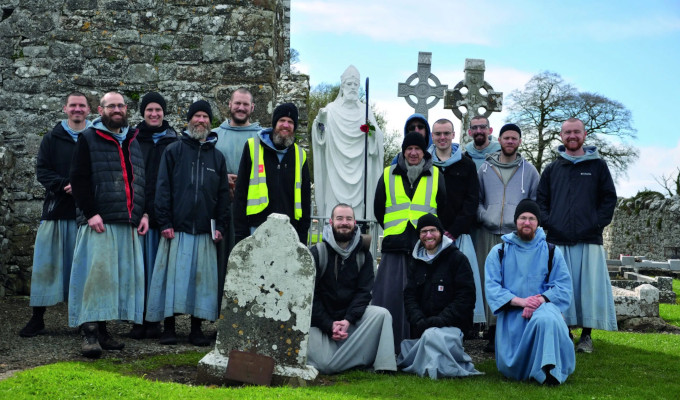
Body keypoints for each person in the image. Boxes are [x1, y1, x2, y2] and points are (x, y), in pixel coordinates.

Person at [68, 91, 148, 358]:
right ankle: (89, 333)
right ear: (100, 111)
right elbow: (78, 179)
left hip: (127, 221)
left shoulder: (133, 140)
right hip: (99, 221)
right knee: (97, 278)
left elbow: (140, 179)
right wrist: (90, 213)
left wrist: (143, 213)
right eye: (110, 106)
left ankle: (103, 332)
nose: (117, 110)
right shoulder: (88, 138)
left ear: (126, 109)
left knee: (113, 281)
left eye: (120, 106)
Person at [146, 100, 229, 346]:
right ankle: (169, 328)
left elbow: (223, 195)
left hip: (205, 230)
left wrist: (221, 226)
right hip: (176, 228)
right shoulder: (174, 150)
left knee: (200, 282)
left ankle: (196, 329)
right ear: (189, 120)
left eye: (205, 116)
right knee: (172, 280)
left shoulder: (218, 157)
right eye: (197, 116)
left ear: (210, 122)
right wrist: (164, 222)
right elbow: (162, 188)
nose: (200, 120)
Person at [537, 117, 618, 353]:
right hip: (558, 240)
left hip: (588, 239)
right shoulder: (552, 169)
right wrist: (550, 223)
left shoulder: (598, 166)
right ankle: (565, 331)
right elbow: (541, 200)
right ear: (561, 136)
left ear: (584, 135)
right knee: (561, 288)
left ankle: (586, 337)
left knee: (587, 290)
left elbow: (608, 199)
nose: (572, 136)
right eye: (567, 132)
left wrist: (596, 224)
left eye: (576, 132)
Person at [20, 92, 92, 337]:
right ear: (65, 108)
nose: (77, 109)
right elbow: (42, 171)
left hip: (86, 215)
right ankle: (37, 318)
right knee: (45, 266)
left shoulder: (96, 138)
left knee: (83, 269)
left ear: (89, 110)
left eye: (81, 105)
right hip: (55, 211)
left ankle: (86, 321)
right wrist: (65, 184)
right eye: (73, 105)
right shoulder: (52, 138)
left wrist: (83, 187)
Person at [485, 199, 575, 384]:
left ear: (538, 222)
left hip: (544, 311)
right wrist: (522, 302)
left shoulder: (551, 252)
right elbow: (492, 288)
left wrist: (540, 301)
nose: (527, 222)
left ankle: (549, 372)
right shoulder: (499, 252)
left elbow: (563, 287)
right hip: (514, 320)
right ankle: (540, 369)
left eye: (532, 218)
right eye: (523, 218)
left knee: (547, 317)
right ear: (516, 221)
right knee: (512, 368)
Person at [373, 132, 446, 353]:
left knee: (423, 298)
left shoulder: (436, 174)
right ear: (403, 151)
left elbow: (443, 208)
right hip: (395, 246)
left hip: (424, 247)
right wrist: (395, 230)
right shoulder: (388, 174)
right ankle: (389, 344)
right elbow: (379, 208)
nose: (413, 153)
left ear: (425, 152)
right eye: (409, 149)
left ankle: (418, 346)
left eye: (418, 149)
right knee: (390, 297)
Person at [307, 203, 396, 374]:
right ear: (331, 222)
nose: (344, 223)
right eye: (339, 218)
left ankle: (384, 366)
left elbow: (364, 293)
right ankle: (355, 361)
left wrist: (347, 320)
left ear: (355, 223)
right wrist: (329, 325)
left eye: (349, 219)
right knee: (326, 365)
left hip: (349, 322)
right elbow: (311, 297)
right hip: (321, 324)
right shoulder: (318, 252)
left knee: (382, 315)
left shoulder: (363, 255)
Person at [475, 123, 540, 352]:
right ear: (499, 140)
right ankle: (491, 332)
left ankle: (510, 330)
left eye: (514, 138)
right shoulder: (484, 168)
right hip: (488, 232)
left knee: (512, 282)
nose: (510, 141)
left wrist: (523, 225)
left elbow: (534, 203)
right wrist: (484, 216)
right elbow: (478, 198)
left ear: (520, 142)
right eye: (506, 138)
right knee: (491, 281)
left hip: (515, 236)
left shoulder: (529, 171)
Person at [397, 214, 481, 379]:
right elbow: (410, 296)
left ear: (441, 232)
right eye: (424, 231)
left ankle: (432, 366)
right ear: (419, 236)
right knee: (408, 345)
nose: (428, 235)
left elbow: (466, 297)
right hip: (423, 328)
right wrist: (419, 320)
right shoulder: (416, 262)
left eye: (433, 230)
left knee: (432, 337)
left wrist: (440, 320)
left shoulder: (458, 259)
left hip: (452, 328)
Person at [128, 91, 179, 340]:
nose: (154, 113)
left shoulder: (173, 140)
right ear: (143, 112)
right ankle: (138, 320)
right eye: (149, 110)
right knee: (139, 272)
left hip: (164, 217)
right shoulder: (133, 138)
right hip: (139, 215)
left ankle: (155, 320)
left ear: (164, 112)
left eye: (158, 109)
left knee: (160, 272)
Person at [428, 118, 485, 327]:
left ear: (453, 135)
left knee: (459, 282)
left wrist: (453, 232)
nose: (442, 138)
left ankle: (462, 326)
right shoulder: (427, 163)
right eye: (438, 134)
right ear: (432, 136)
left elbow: (472, 201)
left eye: (446, 133)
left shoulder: (466, 164)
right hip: (430, 237)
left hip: (458, 236)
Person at [311, 65, 384, 220]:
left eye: (355, 85)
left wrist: (372, 134)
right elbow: (320, 140)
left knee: (358, 219)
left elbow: (376, 137)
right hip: (334, 170)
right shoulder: (331, 110)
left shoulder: (365, 111)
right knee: (334, 216)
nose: (352, 88)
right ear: (342, 86)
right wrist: (321, 122)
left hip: (360, 173)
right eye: (349, 84)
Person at [212, 88, 262, 313]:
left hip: (250, 210)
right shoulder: (214, 135)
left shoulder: (263, 138)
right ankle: (219, 316)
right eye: (237, 103)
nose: (241, 108)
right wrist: (222, 179)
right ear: (229, 105)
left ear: (252, 108)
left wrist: (242, 183)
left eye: (245, 104)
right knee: (220, 265)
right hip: (220, 209)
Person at [233, 102, 311, 243]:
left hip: (289, 231)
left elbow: (305, 201)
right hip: (256, 229)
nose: (286, 125)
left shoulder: (301, 155)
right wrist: (240, 233)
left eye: (290, 122)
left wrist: (303, 237)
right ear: (274, 123)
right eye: (282, 120)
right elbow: (240, 192)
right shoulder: (252, 147)